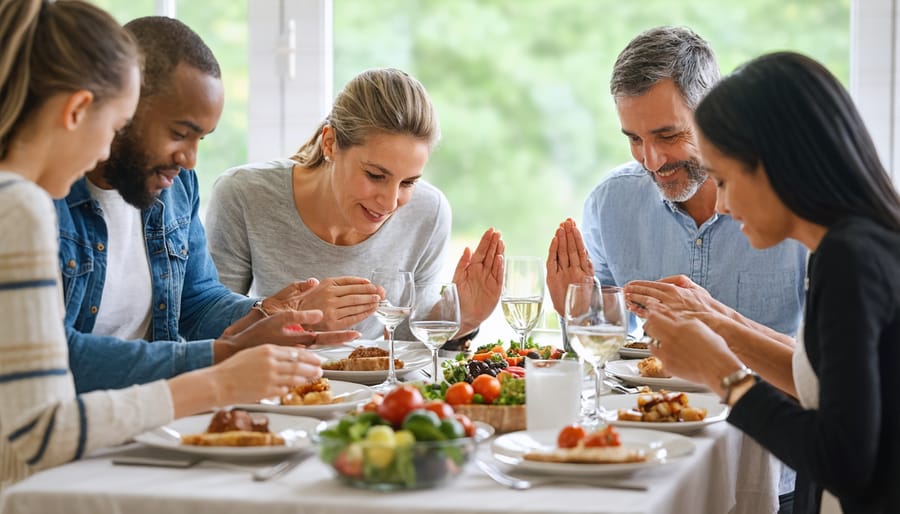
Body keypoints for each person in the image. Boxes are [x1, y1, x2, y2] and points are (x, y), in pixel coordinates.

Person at [0, 0, 324, 489]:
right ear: (81, 109)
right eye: (112, 127)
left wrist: (261, 315)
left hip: (113, 437)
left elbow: (196, 298)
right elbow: (42, 422)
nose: (105, 149)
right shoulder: (25, 204)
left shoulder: (167, 191)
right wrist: (218, 374)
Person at [645, 51, 900, 514]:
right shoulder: (852, 246)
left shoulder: (851, 259)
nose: (719, 204)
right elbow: (825, 386)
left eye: (722, 180)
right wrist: (716, 320)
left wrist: (726, 378)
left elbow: (842, 462)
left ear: (776, 164)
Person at [54, 16, 358, 395]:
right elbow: (53, 356)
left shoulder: (175, 187)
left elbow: (195, 301)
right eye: (180, 134)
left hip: (154, 410)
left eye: (201, 138)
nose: (190, 160)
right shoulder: (45, 198)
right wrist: (220, 354)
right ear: (124, 106)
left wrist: (263, 312)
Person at [206, 68, 503, 344]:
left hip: (380, 398)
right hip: (278, 393)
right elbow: (206, 328)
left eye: (408, 183)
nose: (389, 202)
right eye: (375, 175)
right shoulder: (244, 195)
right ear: (331, 143)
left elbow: (404, 340)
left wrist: (465, 317)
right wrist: (296, 317)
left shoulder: (429, 212)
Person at [545, 26, 807, 339]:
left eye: (668, 136)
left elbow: (824, 366)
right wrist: (576, 314)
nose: (652, 161)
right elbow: (606, 350)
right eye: (634, 139)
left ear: (715, 112)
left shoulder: (793, 205)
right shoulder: (611, 203)